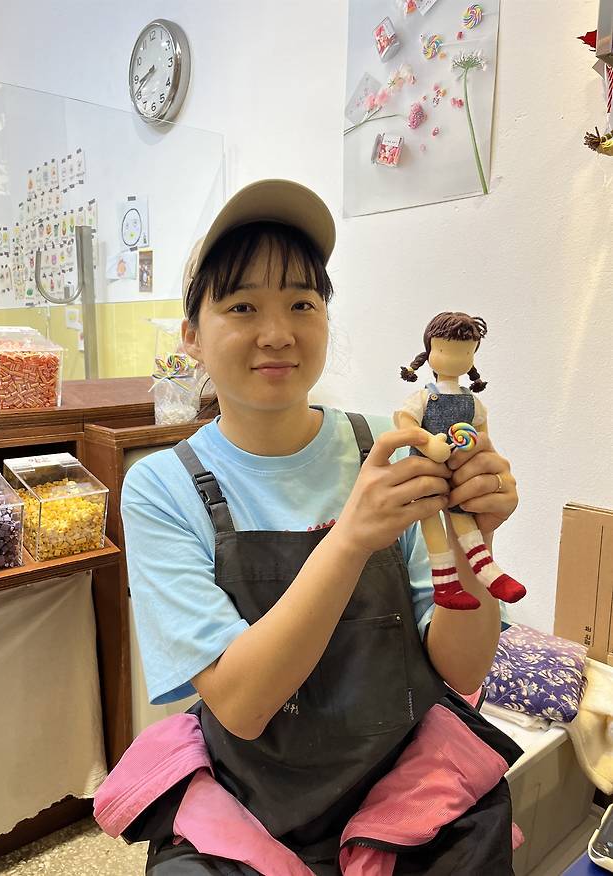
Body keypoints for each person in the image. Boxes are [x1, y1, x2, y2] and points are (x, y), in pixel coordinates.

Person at [120, 179, 521, 874]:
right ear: (192, 337)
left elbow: (463, 668)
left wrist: (473, 533)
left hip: (409, 791)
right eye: (242, 306)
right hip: (253, 803)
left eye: (302, 304)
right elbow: (242, 705)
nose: (278, 333)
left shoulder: (389, 448)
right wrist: (352, 538)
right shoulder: (162, 487)